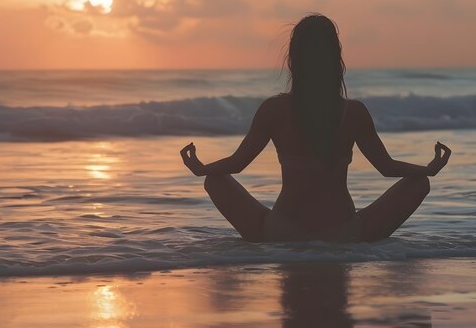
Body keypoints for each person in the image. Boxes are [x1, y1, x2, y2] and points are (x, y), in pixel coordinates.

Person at [180, 14, 451, 243]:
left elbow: (237, 164)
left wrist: (202, 169)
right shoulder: (353, 113)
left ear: (293, 60)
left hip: (282, 230)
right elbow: (387, 167)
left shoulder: (273, 110)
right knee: (419, 184)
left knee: (215, 180)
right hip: (344, 232)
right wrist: (427, 170)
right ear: (336, 59)